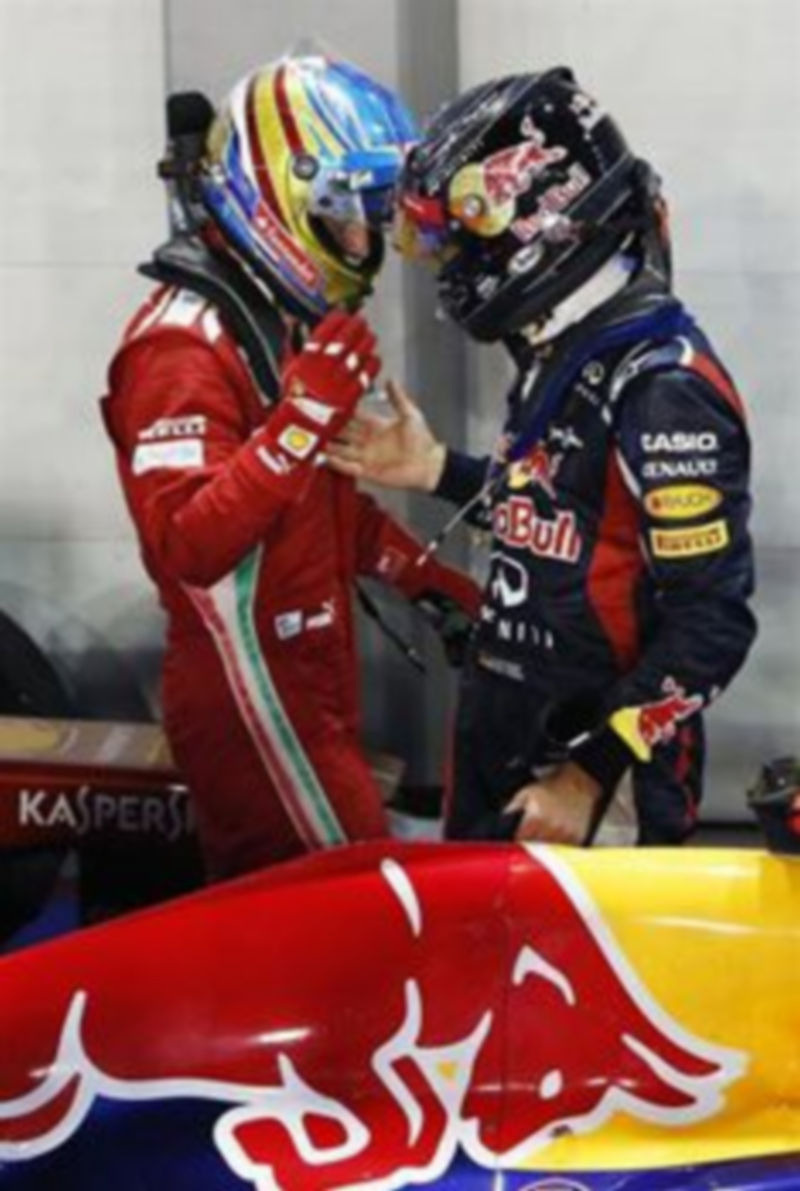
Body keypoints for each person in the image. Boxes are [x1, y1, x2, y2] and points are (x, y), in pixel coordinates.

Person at [328, 67, 756, 846]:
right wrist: (438, 471)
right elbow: (567, 517)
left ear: (532, 217)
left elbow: (713, 625)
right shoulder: (565, 342)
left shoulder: (662, 387)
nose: (445, 264)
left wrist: (588, 775)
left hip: (595, 786)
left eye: (452, 240)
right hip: (511, 739)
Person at [101, 53, 480, 881]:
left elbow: (318, 506)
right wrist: (300, 418)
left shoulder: (272, 316)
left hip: (309, 676)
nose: (364, 242)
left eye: (372, 217)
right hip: (249, 698)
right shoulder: (178, 346)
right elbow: (187, 544)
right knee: (346, 910)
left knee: (334, 918)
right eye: (346, 217)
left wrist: (425, 580)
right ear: (279, 195)